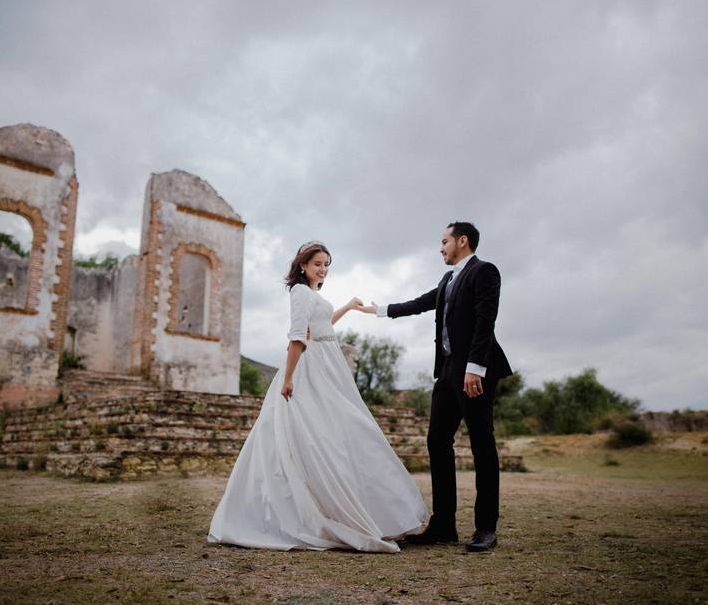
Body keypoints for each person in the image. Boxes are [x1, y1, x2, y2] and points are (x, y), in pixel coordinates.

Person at [208, 241, 427, 552]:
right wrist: (287, 378)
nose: (323, 269)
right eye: (317, 264)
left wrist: (348, 307)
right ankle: (311, 511)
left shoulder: (313, 295)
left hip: (329, 364)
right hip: (309, 369)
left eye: (326, 264)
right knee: (316, 435)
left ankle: (356, 508)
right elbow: (298, 335)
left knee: (341, 430)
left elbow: (321, 325)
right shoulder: (299, 292)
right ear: (302, 266)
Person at [362, 222, 512, 552]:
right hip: (446, 371)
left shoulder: (485, 271)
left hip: (475, 370)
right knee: (436, 441)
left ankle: (486, 527)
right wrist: (380, 310)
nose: (440, 247)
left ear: (462, 240)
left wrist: (475, 368)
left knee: (482, 446)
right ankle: (444, 524)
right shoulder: (447, 280)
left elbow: (487, 319)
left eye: (444, 241)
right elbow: (420, 303)